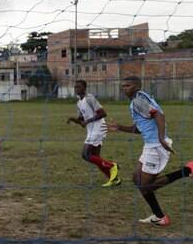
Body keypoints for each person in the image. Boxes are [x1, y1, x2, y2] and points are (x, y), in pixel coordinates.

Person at [108, 76, 193, 226]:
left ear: (136, 87)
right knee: (137, 178)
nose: (124, 88)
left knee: (146, 187)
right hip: (150, 145)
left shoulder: (138, 100)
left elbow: (159, 115)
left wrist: (161, 138)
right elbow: (141, 128)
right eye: (123, 86)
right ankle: (159, 217)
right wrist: (120, 127)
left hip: (156, 146)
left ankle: (187, 170)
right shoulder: (139, 100)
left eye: (127, 86)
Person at [66, 80, 120, 187]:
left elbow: (103, 113)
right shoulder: (79, 103)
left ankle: (112, 165)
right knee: (96, 157)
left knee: (85, 155)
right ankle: (114, 179)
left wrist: (88, 121)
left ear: (84, 88)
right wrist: (73, 119)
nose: (76, 89)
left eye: (79, 87)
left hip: (99, 128)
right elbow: (82, 121)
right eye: (75, 87)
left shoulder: (89, 98)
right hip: (91, 130)